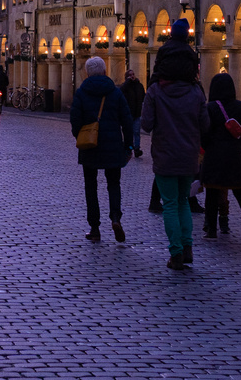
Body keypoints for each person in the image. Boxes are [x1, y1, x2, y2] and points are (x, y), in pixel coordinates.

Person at [141, 44, 206, 269]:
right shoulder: (196, 91)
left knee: (169, 204)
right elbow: (205, 124)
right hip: (188, 154)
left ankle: (176, 252)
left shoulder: (156, 91)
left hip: (165, 154)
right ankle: (187, 247)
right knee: (183, 202)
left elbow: (146, 124)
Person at [70, 57, 134, 243]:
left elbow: (75, 120)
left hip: (90, 146)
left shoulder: (81, 93)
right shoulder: (115, 92)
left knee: (91, 187)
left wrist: (81, 137)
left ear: (87, 73)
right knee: (113, 184)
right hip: (113, 146)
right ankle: (115, 218)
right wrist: (128, 145)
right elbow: (127, 121)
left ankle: (95, 227)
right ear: (105, 72)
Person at [199, 73, 241, 247]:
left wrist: (208, 145)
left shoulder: (210, 108)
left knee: (212, 193)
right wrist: (240, 145)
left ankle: (211, 230)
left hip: (214, 155)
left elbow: (203, 131)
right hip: (235, 154)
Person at [119, 69, 146, 158]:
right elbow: (121, 92)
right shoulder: (125, 86)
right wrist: (127, 82)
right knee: (129, 132)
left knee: (137, 132)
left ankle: (137, 149)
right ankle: (129, 148)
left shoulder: (139, 86)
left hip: (137, 113)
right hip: (128, 114)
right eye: (130, 75)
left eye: (133, 74)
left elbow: (143, 97)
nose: (132, 76)